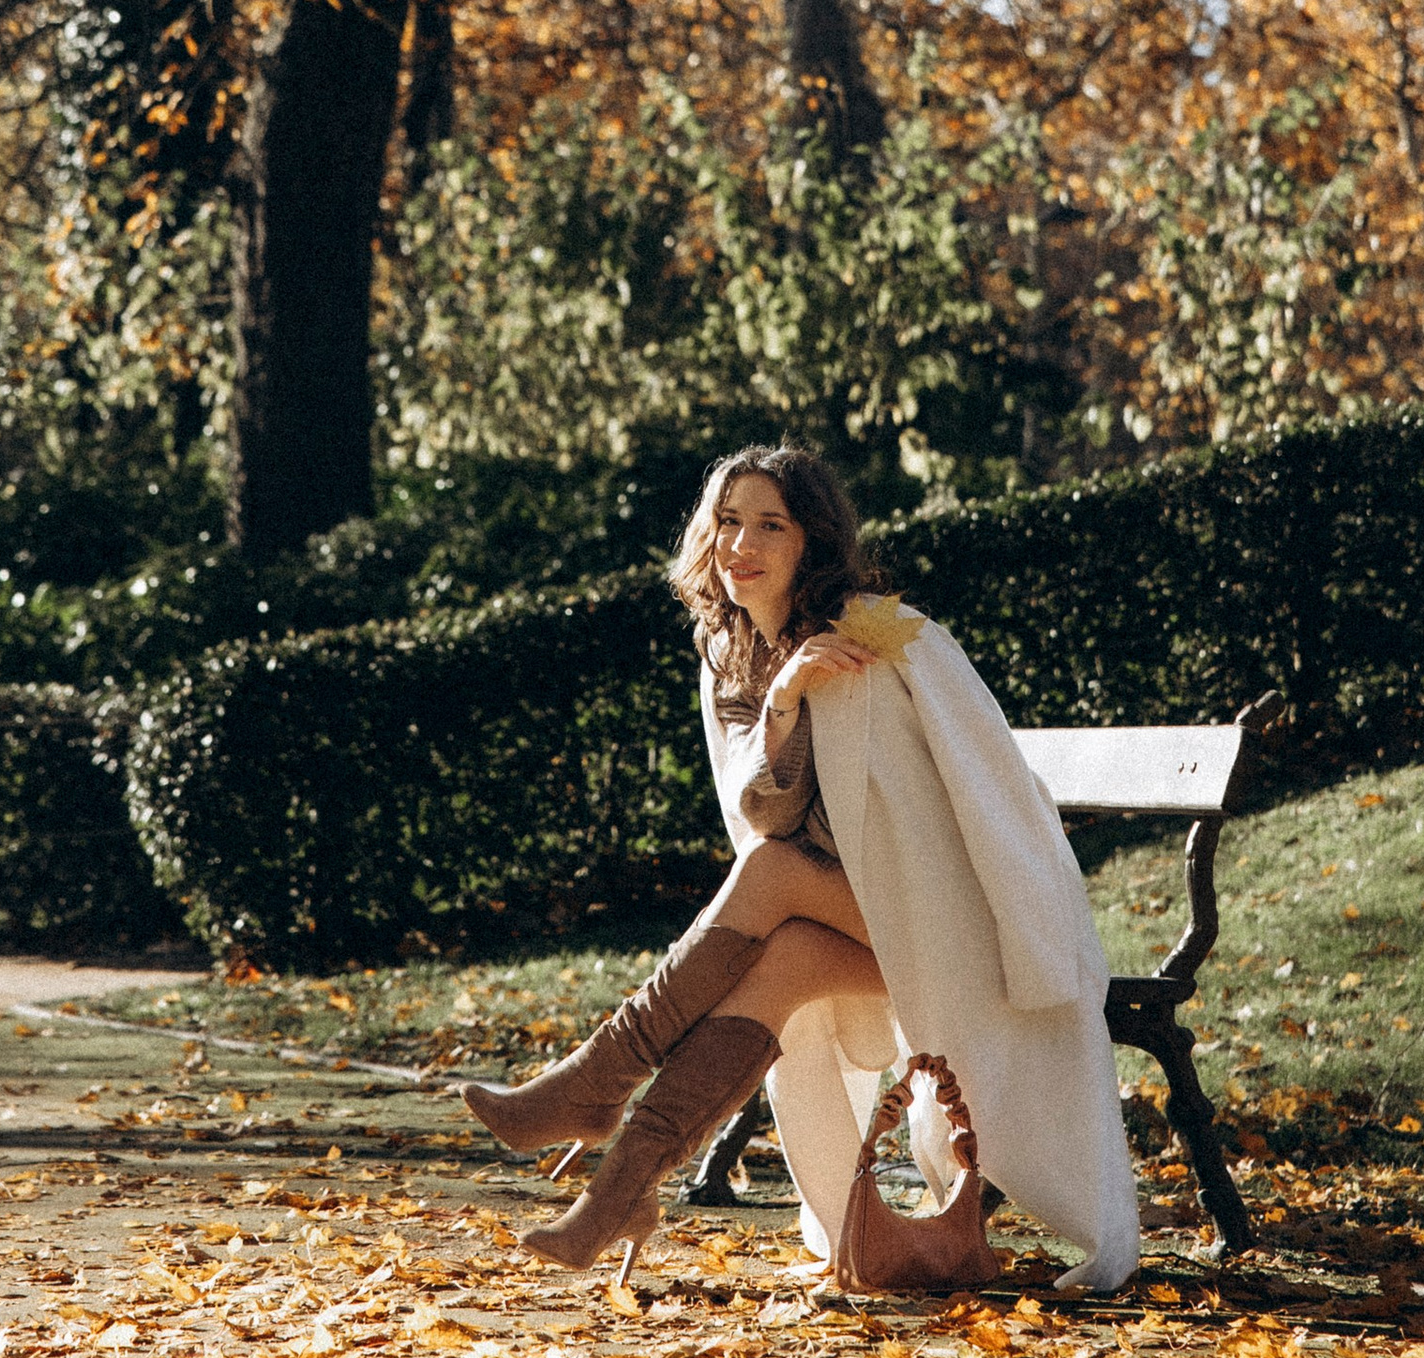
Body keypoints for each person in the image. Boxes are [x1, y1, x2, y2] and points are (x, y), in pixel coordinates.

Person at [461, 442, 1141, 1291]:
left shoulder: (876, 640)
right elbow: (764, 814)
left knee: (772, 876)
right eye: (727, 522)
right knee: (778, 960)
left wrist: (807, 691)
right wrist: (782, 701)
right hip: (868, 923)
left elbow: (974, 793)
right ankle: (619, 1194)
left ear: (811, 541)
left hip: (959, 918)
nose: (741, 545)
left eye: (770, 526)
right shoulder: (733, 653)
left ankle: (598, 1080)